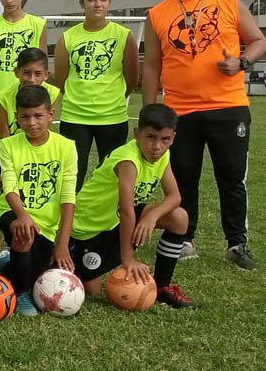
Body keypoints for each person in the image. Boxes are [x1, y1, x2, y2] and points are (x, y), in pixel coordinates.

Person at [142, 0, 265, 269]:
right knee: (183, 176)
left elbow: (258, 41)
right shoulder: (157, 14)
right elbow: (152, 66)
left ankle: (236, 243)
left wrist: (241, 62)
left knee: (232, 177)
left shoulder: (229, 2)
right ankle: (184, 239)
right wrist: (149, 112)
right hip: (180, 110)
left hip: (229, 106)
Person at [71, 104, 191, 308]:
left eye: (165, 139)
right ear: (136, 134)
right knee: (92, 291)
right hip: (88, 229)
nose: (157, 146)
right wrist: (128, 259)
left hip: (116, 219)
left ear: (173, 138)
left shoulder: (163, 155)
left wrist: (151, 217)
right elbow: (127, 211)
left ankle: (162, 287)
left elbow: (174, 197)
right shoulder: (128, 160)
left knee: (179, 218)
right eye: (150, 137)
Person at [0, 85, 77, 316]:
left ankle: (5, 264)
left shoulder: (66, 147)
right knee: (25, 233)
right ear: (16, 117)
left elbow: (68, 196)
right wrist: (23, 216)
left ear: (51, 115)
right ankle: (21, 293)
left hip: (47, 223)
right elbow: (9, 187)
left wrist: (62, 243)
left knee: (43, 272)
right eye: (25, 117)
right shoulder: (8, 145)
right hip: (12, 212)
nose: (32, 123)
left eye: (38, 116)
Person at [55, 0, 138, 190]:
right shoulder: (67, 38)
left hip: (112, 117)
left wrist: (111, 98)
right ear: (82, 3)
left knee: (110, 176)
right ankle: (70, 212)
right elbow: (62, 80)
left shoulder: (124, 36)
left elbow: (131, 79)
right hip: (75, 117)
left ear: (109, 2)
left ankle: (106, 213)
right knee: (72, 175)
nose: (97, 4)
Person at [0, 48, 61, 201]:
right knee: (6, 188)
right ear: (17, 72)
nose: (32, 79)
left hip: (33, 147)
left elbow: (45, 128)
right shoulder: (3, 97)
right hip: (5, 149)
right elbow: (4, 133)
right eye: (26, 73)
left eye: (38, 74)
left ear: (46, 75)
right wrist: (5, 169)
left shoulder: (53, 93)